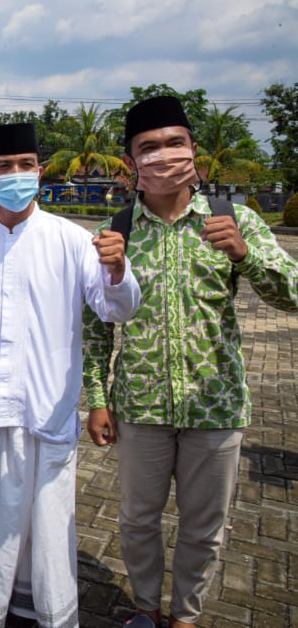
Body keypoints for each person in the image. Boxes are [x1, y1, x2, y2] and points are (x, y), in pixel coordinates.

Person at [82, 95, 298, 628]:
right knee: (136, 520)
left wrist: (245, 255)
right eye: (148, 148)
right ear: (133, 161)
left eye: (174, 143)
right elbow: (96, 325)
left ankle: (186, 615)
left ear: (193, 151)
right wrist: (96, 398)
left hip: (216, 406)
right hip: (140, 407)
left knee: (205, 525)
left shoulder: (233, 218)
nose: (163, 156)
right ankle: (145, 609)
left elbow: (292, 295)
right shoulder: (119, 230)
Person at [0, 123, 141, 628]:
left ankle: (45, 611)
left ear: (40, 171)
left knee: (48, 523)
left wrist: (118, 270)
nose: (15, 175)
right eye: (2, 167)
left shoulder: (74, 240)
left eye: (24, 165)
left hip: (48, 406)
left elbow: (115, 308)